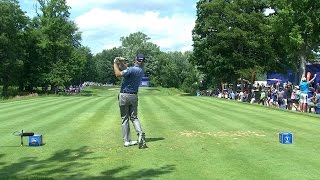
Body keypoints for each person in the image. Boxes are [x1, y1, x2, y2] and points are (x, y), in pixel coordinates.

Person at [113, 54, 147, 149]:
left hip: (124, 95)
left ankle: (127, 141)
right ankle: (140, 134)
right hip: (134, 96)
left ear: (135, 60)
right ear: (143, 62)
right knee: (134, 117)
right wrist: (121, 62)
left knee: (124, 118)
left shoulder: (132, 69)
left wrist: (115, 63)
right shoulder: (141, 70)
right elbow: (127, 69)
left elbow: (118, 74)